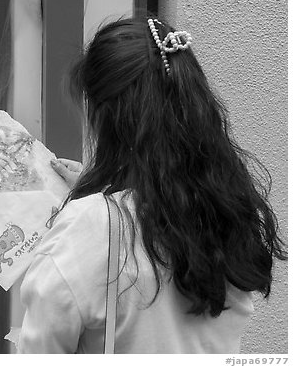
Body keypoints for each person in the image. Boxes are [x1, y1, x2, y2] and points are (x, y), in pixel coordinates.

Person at [16, 17, 287, 353]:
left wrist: (92, 209)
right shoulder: (229, 211)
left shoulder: (89, 226)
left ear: (107, 118)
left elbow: (40, 347)